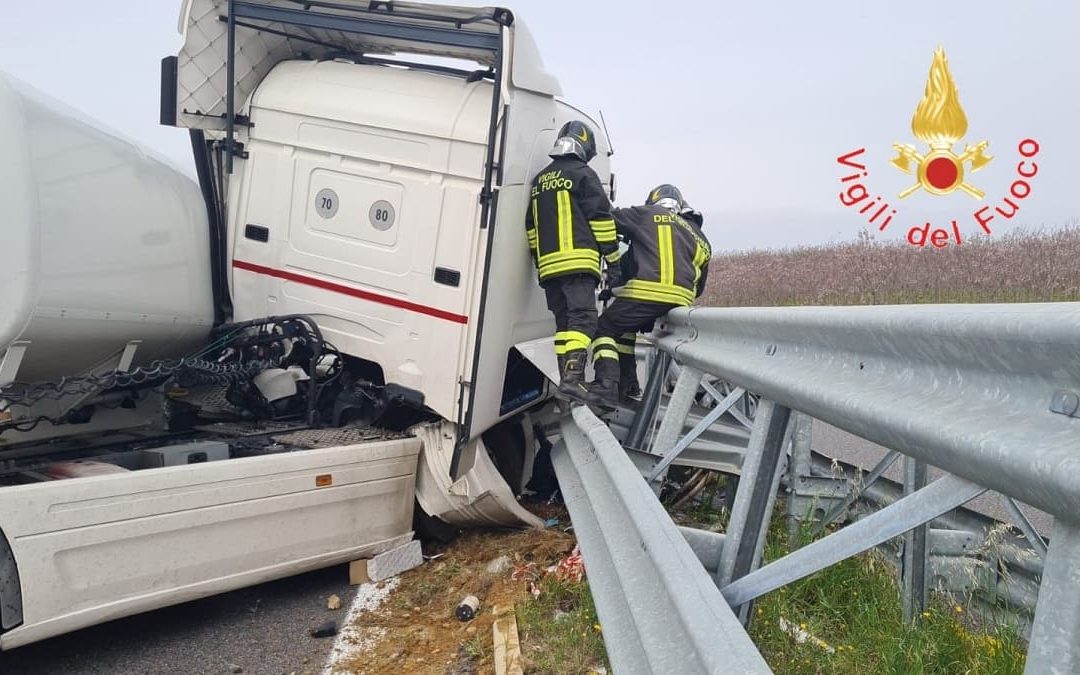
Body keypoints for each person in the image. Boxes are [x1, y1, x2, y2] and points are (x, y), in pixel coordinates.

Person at [589, 184, 712, 409]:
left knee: (603, 328)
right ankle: (628, 384)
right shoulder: (699, 236)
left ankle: (605, 388)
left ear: (654, 200)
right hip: (681, 302)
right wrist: (616, 290)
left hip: (647, 294)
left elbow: (609, 217)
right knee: (625, 328)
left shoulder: (646, 215)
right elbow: (700, 287)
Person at [525, 120, 619, 403]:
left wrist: (540, 263)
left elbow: (531, 229)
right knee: (585, 320)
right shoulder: (584, 175)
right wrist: (613, 261)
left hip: (549, 269)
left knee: (565, 326)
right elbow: (602, 220)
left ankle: (566, 382)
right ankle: (573, 380)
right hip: (578, 264)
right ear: (585, 146)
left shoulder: (540, 180)